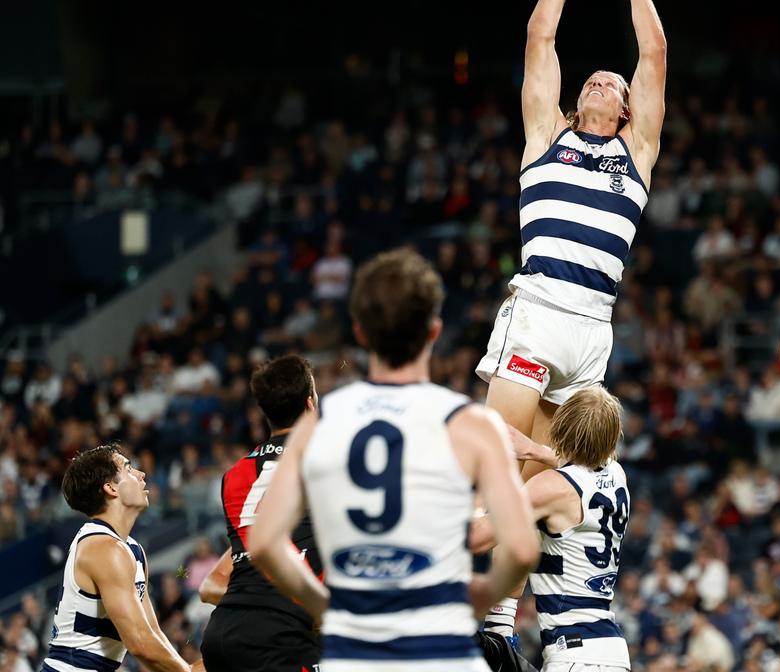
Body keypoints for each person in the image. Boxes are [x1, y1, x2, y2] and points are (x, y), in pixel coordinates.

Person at [473, 0, 664, 637]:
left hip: (593, 327)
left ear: (624, 111)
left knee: (546, 475)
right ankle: (470, 612)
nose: (602, 80)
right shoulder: (546, 135)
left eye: (613, 84)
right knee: (499, 455)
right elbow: (539, 44)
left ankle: (498, 620)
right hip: (542, 303)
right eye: (595, 78)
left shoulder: (636, 152)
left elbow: (654, 53)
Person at [248, 248, 539, 671]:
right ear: (434, 331)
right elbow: (522, 547)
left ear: (361, 333)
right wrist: (484, 592)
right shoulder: (473, 424)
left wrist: (322, 603)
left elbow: (263, 543)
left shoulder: (320, 423)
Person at [470, 386, 630, 672]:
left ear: (562, 427)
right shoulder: (617, 475)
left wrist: (478, 497)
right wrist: (534, 450)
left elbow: (477, 539)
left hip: (574, 656)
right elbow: (581, 466)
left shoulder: (549, 489)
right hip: (611, 651)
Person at [199, 355, 323, 672]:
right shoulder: (324, 460)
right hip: (282, 636)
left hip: (223, 633)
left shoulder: (234, 476)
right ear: (310, 404)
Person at [42, 445, 198, 672]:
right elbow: (140, 644)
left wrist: (188, 667)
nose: (141, 474)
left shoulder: (132, 549)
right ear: (110, 488)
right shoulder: (103, 548)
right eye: (129, 469)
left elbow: (151, 633)